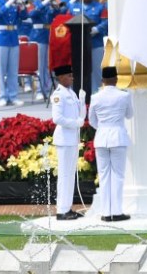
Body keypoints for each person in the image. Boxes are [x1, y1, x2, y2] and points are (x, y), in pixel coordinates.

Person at [88, 66, 133, 222]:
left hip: (101, 137)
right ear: (116, 79)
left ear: (103, 81)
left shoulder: (96, 97)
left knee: (104, 175)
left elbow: (92, 120)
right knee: (118, 176)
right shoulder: (124, 96)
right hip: (118, 136)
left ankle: (106, 212)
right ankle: (116, 211)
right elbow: (129, 114)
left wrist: (102, 128)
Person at [50, 65, 86, 221]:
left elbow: (80, 116)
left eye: (72, 75)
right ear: (61, 78)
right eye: (69, 75)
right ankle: (61, 210)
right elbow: (57, 118)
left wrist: (83, 101)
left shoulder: (71, 93)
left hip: (72, 139)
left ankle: (67, 208)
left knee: (70, 175)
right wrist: (75, 123)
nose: (72, 78)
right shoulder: (58, 95)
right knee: (64, 175)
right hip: (64, 139)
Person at [27, 0, 56, 101]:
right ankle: (39, 90)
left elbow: (56, 14)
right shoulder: (33, 2)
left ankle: (48, 89)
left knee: (49, 65)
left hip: (48, 35)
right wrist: (44, 3)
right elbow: (32, 14)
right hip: (38, 36)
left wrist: (54, 5)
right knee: (39, 65)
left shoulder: (49, 3)